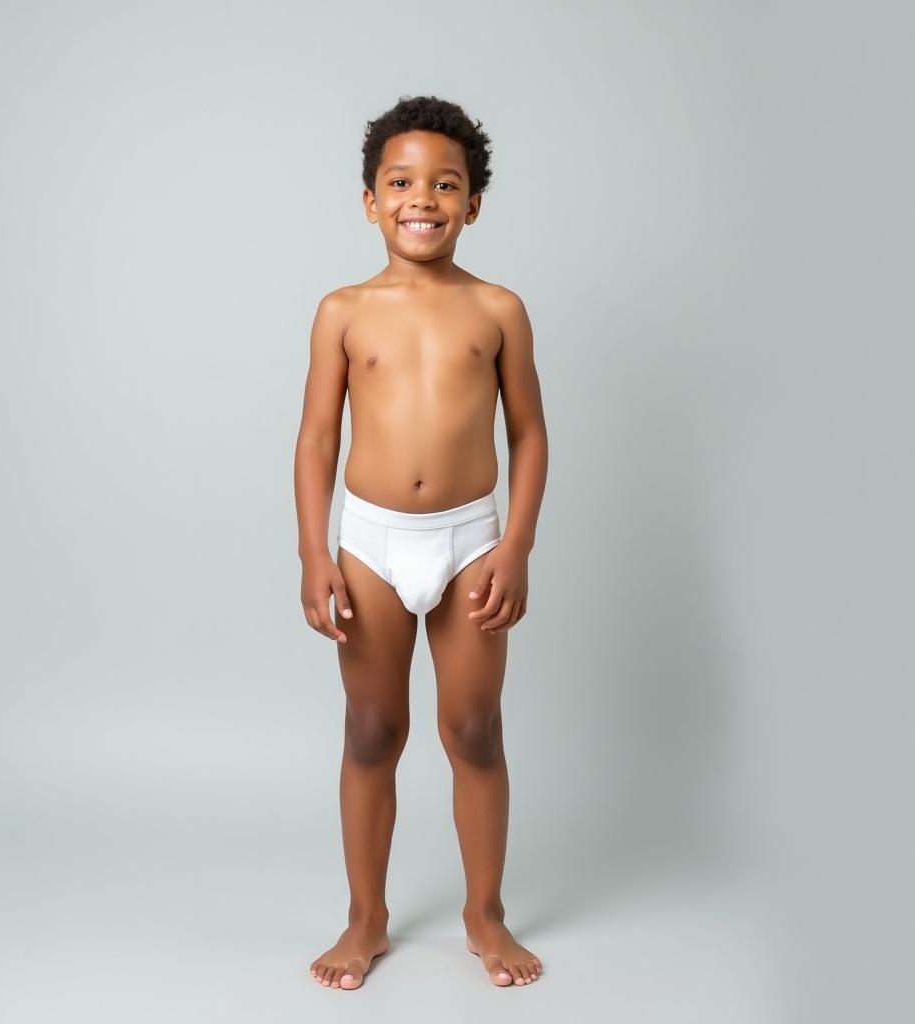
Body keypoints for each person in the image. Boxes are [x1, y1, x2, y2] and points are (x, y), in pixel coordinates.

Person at [294, 94, 549, 990]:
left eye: (446, 184)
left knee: (474, 729)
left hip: (470, 536)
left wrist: (514, 545)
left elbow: (530, 435)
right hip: (368, 541)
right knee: (371, 729)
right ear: (370, 199)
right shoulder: (342, 310)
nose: (422, 198)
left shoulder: (499, 308)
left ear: (473, 202)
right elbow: (318, 437)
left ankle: (487, 915)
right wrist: (313, 551)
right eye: (400, 181)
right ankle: (366, 918)